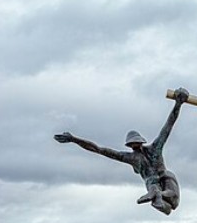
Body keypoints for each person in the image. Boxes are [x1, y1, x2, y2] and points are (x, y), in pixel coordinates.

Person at [54, 88, 189, 215]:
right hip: (161, 179)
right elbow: (99, 149)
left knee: (169, 206)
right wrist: (178, 103)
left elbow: (99, 149)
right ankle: (158, 194)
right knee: (169, 207)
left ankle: (157, 194)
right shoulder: (147, 152)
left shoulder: (140, 154)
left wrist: (178, 103)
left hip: (155, 182)